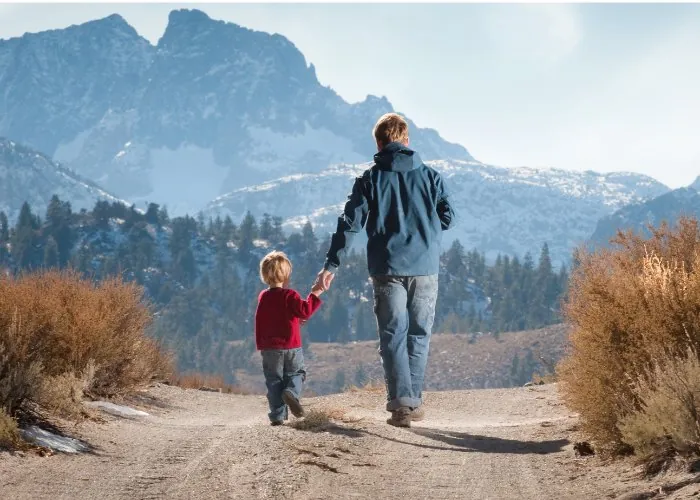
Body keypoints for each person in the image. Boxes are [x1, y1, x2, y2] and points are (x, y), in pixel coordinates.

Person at [314, 112, 455, 427]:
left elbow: (350, 224)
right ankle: (411, 401)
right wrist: (424, 226)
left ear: (379, 142)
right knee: (418, 334)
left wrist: (331, 264)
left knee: (393, 334)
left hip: (387, 267)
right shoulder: (432, 177)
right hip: (426, 268)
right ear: (407, 141)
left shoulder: (369, 179)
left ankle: (403, 404)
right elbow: (448, 218)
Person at [255, 250, 324, 425]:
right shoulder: (290, 295)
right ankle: (292, 393)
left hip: (270, 348)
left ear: (264, 274)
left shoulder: (263, 296)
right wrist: (314, 294)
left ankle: (277, 416)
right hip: (291, 345)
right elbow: (305, 311)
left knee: (273, 381)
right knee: (297, 373)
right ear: (286, 275)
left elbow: (274, 315)